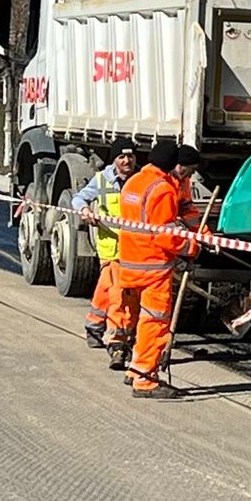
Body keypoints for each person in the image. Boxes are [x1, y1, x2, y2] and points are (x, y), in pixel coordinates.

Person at [115, 139, 202, 399]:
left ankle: (135, 369)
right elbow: (166, 235)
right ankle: (145, 381)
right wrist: (192, 247)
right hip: (153, 266)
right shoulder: (162, 189)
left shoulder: (133, 182)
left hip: (131, 262)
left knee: (142, 320)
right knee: (154, 321)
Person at [75, 144, 139, 350]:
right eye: (121, 157)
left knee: (107, 290)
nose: (127, 161)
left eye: (130, 157)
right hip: (110, 247)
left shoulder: (139, 181)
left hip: (133, 248)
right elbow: (79, 198)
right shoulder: (102, 179)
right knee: (117, 294)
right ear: (114, 160)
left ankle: (95, 326)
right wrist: (84, 210)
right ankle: (116, 338)